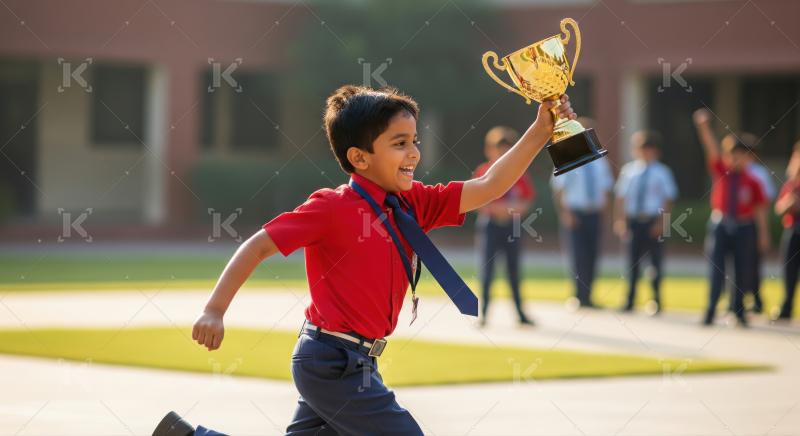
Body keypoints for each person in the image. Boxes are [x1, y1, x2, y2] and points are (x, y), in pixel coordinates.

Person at [180, 85, 577, 434]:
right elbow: (258, 245)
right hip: (331, 361)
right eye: (399, 143)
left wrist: (541, 130)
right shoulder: (331, 207)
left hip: (357, 362)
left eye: (414, 140)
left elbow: (490, 186)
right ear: (359, 157)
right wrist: (215, 309)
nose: (414, 153)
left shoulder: (413, 202)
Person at [693, 108, 769, 327]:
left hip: (745, 227)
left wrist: (762, 234)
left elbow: (759, 209)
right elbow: (711, 149)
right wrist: (704, 127)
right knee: (716, 270)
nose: (737, 159)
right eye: (733, 155)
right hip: (721, 224)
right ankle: (710, 310)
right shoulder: (722, 171)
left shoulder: (753, 182)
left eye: (743, 155)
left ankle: (739, 311)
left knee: (742, 271)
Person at [474, 126, 536, 326]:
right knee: (487, 271)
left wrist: (508, 208)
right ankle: (483, 313)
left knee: (514, 270)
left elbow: (526, 201)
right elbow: (476, 201)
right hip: (490, 225)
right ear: (489, 150)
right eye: (497, 149)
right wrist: (499, 208)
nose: (501, 154)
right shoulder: (484, 171)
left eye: (506, 149)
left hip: (512, 226)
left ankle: (520, 313)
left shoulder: (519, 172)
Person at [613, 131, 677, 315]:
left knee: (655, 262)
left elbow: (668, 199)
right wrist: (620, 220)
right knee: (632, 262)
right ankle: (630, 300)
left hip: (652, 220)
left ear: (655, 151)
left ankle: (656, 299)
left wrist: (661, 222)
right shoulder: (629, 171)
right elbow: (621, 198)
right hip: (634, 220)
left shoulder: (662, 172)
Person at [551, 122, 614, 309]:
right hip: (575, 212)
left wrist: (605, 213)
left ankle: (590, 295)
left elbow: (605, 188)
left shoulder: (598, 159)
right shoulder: (566, 156)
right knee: (577, 255)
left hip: (593, 212)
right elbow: (560, 190)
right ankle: (579, 295)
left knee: (593, 254)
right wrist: (565, 213)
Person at [740, 142, 776, 314]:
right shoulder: (733, 172)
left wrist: (763, 232)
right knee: (737, 264)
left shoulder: (759, 174)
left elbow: (764, 203)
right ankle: (736, 300)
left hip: (753, 223)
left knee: (754, 264)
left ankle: (757, 299)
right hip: (737, 223)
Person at [774, 141, 800, 321]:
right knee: (789, 271)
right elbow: (779, 209)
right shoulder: (792, 185)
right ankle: (787, 306)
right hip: (793, 230)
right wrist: (790, 203)